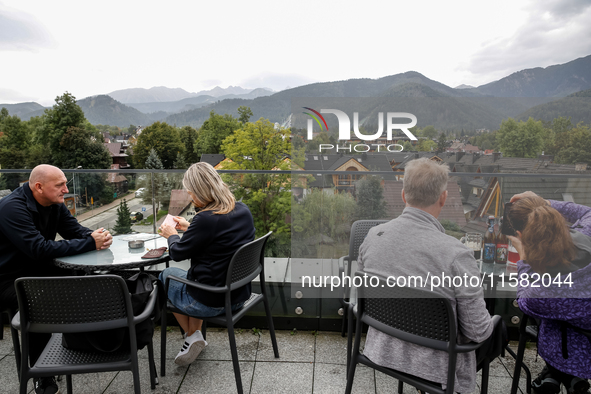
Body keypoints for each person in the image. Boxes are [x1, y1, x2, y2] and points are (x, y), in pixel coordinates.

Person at [358, 158, 498, 394]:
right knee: (498, 329)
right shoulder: (457, 255)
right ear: (443, 198)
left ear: (404, 195)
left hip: (384, 349)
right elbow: (478, 332)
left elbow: (360, 297)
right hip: (436, 366)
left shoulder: (373, 236)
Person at [0, 164, 112, 394]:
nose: (65, 189)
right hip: (8, 278)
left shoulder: (54, 204)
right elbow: (38, 249)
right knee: (39, 302)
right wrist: (90, 242)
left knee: (89, 278)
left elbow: (74, 231)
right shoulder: (12, 208)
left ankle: (87, 342)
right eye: (60, 185)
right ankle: (42, 376)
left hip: (38, 270)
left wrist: (97, 236)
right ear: (39, 187)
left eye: (66, 183)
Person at [158, 162, 255, 366]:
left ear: (200, 192)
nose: (191, 198)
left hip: (209, 303)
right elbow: (217, 236)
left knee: (165, 276)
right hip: (238, 295)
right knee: (196, 276)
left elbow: (176, 253)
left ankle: (192, 335)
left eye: (191, 194)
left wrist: (171, 235)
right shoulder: (242, 210)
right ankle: (194, 335)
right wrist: (190, 227)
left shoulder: (206, 219)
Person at [508, 191, 591, 394]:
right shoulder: (586, 234)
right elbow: (588, 212)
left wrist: (524, 258)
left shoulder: (541, 292)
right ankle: (564, 379)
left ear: (520, 235)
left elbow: (524, 300)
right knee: (564, 317)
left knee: (551, 320)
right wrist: (544, 203)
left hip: (581, 349)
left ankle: (557, 374)